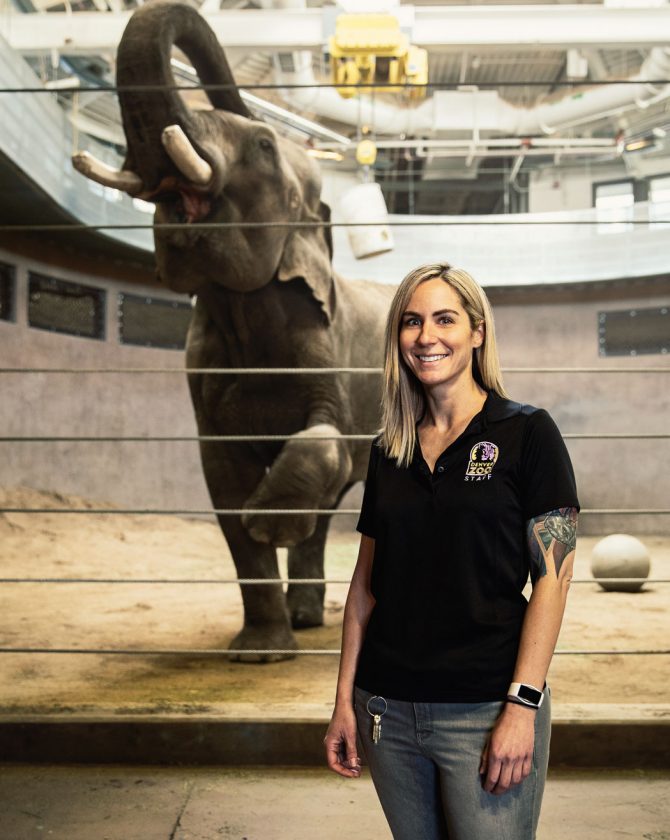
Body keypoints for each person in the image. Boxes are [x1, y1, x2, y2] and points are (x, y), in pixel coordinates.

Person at [324, 262, 579, 840]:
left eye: (445, 319)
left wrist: (523, 706)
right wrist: (345, 702)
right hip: (387, 709)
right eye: (412, 322)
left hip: (485, 708)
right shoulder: (388, 449)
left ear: (477, 331)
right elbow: (365, 587)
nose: (426, 336)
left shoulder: (528, 433)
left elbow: (554, 580)